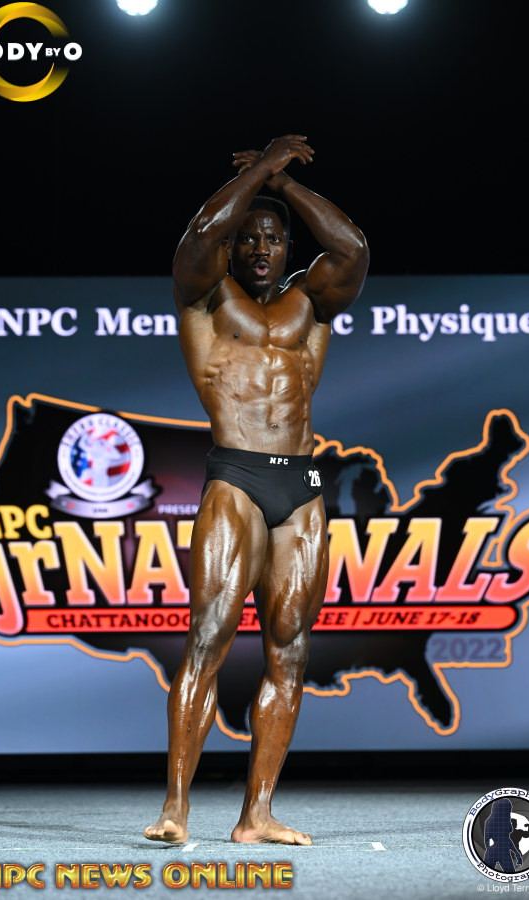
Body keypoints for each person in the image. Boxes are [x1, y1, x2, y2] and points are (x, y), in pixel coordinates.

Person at [144, 135, 369, 845]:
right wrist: (261, 172)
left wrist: (285, 185)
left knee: (290, 649)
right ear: (234, 248)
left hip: (300, 484)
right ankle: (175, 808)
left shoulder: (310, 304)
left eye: (272, 237)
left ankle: (257, 815)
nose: (260, 247)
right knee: (209, 634)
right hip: (237, 475)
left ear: (287, 246)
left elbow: (353, 249)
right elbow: (200, 234)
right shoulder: (205, 294)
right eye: (249, 238)